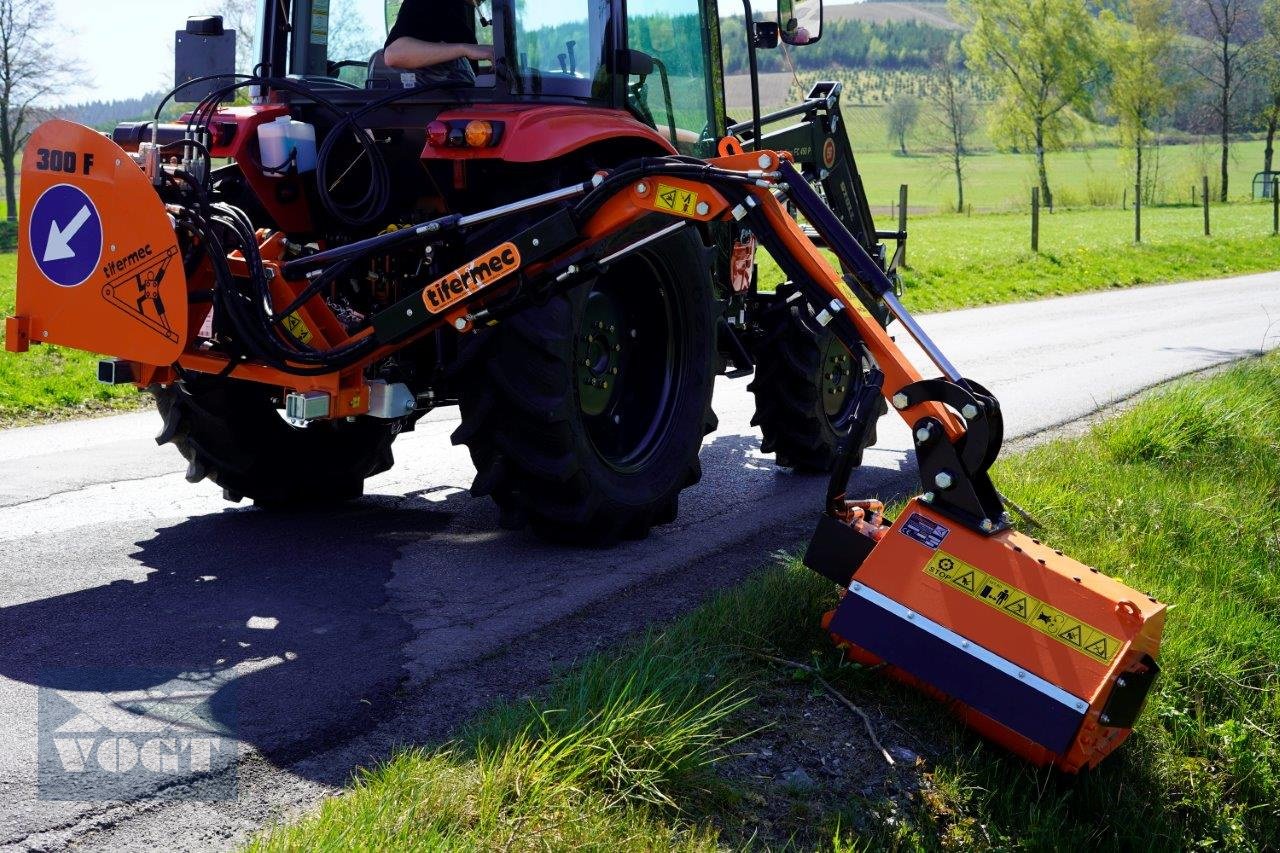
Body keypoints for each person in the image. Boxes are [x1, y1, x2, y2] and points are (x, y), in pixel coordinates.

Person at [383, 0, 494, 83]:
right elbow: (393, 54)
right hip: (431, 108)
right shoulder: (428, 3)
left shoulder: (458, 7)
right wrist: (465, 49)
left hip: (460, 103)